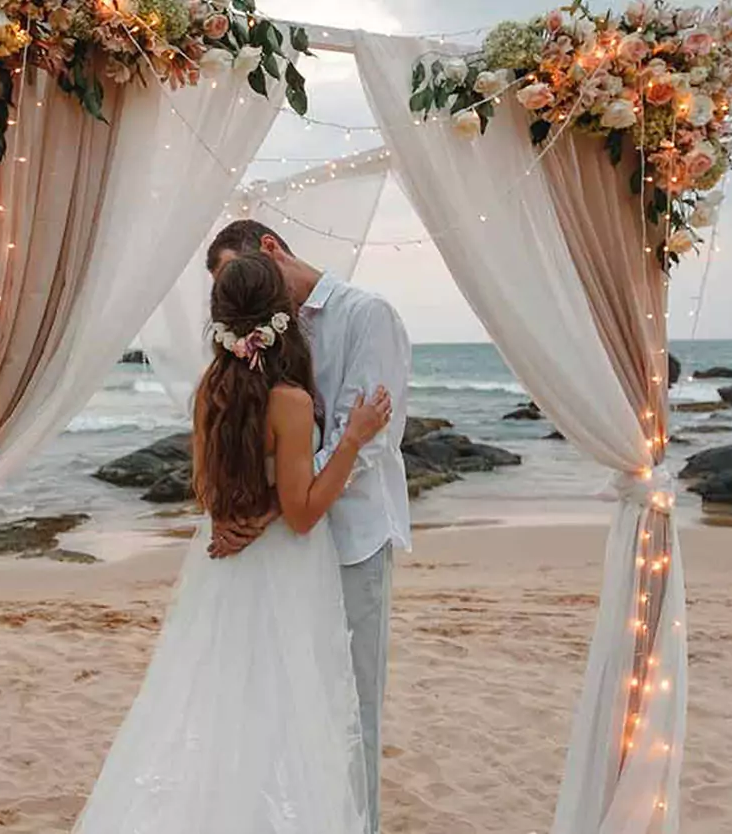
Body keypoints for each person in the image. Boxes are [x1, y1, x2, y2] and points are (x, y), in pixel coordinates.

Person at [74, 252, 393, 833]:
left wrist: (238, 516)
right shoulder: (291, 403)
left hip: (223, 567)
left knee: (223, 699)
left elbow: (210, 490)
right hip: (287, 569)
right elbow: (302, 513)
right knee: (289, 706)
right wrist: (353, 438)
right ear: (282, 317)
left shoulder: (209, 390)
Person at [206, 220, 413, 834]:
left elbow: (373, 442)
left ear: (270, 250)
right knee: (287, 708)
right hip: (285, 554)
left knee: (353, 711)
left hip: (349, 542)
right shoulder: (265, 336)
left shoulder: (369, 316)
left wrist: (272, 506)